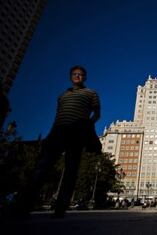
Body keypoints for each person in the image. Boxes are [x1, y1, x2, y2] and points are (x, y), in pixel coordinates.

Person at [16, 65, 101, 218]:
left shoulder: (91, 93)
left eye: (80, 74)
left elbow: (97, 113)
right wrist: (50, 134)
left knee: (71, 170)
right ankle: (24, 206)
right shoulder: (62, 96)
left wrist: (87, 125)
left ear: (85, 77)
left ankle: (60, 208)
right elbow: (58, 116)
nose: (77, 76)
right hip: (57, 132)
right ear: (70, 77)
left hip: (77, 132)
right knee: (42, 167)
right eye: (75, 74)